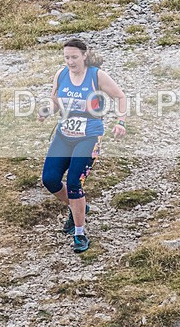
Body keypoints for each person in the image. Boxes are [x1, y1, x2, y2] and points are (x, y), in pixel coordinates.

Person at [39, 38, 127, 253]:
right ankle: (77, 205)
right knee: (49, 180)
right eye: (66, 57)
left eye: (74, 57)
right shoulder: (61, 74)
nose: (70, 62)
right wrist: (46, 110)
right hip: (64, 135)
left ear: (84, 56)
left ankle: (79, 233)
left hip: (89, 137)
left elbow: (120, 96)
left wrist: (120, 122)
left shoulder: (96, 76)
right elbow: (56, 100)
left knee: (74, 183)